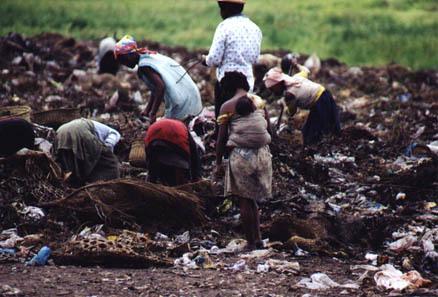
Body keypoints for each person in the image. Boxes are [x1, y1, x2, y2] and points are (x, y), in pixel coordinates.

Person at [216, 73, 272, 250]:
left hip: (242, 155)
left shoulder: (227, 106)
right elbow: (269, 127)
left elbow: (221, 138)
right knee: (252, 199)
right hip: (263, 154)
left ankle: (251, 242)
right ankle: (258, 240)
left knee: (244, 200)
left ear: (228, 88)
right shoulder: (259, 101)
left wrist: (218, 162)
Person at [114, 35, 202, 123]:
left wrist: (153, 113)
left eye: (123, 60)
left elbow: (160, 87)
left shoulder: (144, 66)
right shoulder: (148, 56)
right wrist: (147, 110)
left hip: (184, 104)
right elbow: (155, 88)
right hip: (192, 97)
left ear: (130, 54)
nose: (124, 64)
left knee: (168, 128)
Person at [203, 0, 262, 118]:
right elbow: (255, 59)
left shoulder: (224, 27)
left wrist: (205, 60)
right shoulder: (255, 28)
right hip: (248, 83)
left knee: (224, 120)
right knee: (244, 118)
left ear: (225, 9)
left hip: (227, 84)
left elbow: (214, 59)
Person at [264, 63, 341, 145]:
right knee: (307, 131)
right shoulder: (296, 78)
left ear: (278, 84)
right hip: (323, 96)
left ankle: (323, 149)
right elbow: (306, 71)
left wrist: (284, 105)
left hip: (321, 102)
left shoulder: (289, 95)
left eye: (272, 89)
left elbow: (291, 112)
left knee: (316, 132)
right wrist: (297, 65)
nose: (272, 92)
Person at [54, 118, 121, 186]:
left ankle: (74, 185)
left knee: (74, 163)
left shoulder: (98, 127)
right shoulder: (114, 132)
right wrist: (106, 152)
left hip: (60, 132)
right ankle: (112, 185)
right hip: (79, 130)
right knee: (110, 161)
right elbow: (109, 145)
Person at [144, 119, 202, 186]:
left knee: (156, 172)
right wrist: (196, 178)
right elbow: (194, 155)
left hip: (154, 139)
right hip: (167, 140)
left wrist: (151, 179)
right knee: (180, 179)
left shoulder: (181, 128)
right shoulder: (183, 129)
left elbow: (149, 157)